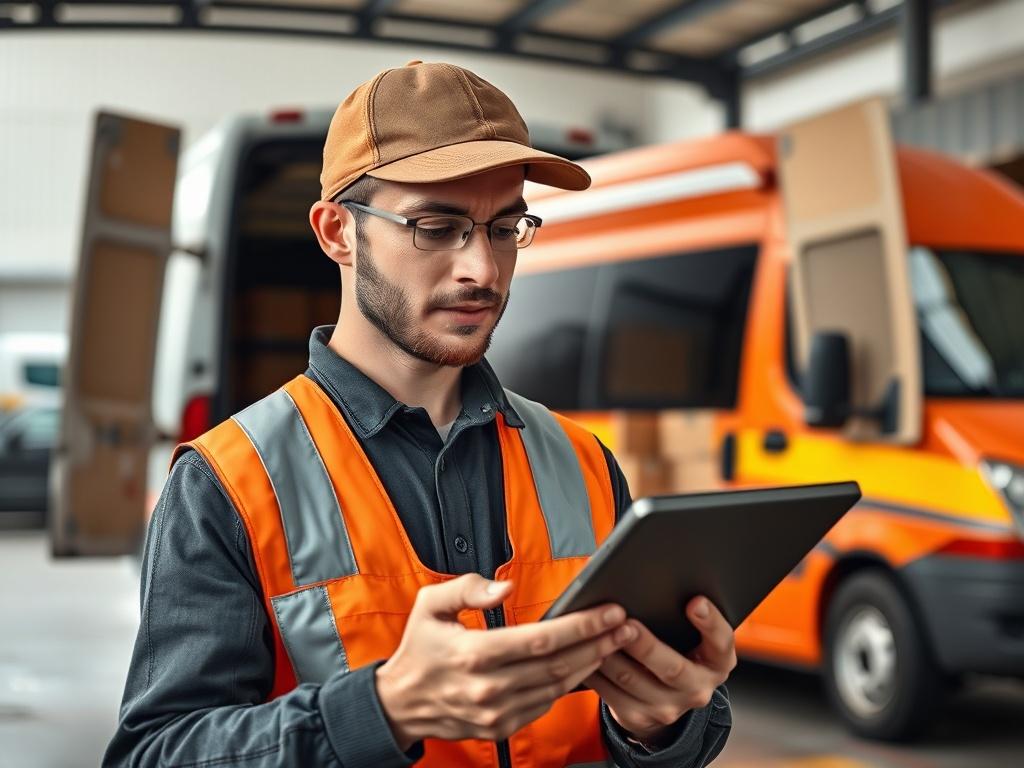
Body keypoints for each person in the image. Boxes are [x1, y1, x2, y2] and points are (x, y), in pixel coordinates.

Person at [104, 60, 735, 768]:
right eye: (437, 227)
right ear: (337, 231)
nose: (483, 272)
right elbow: (153, 754)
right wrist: (381, 709)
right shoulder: (227, 484)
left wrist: (660, 726)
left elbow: (641, 736)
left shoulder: (583, 462)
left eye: (504, 228)